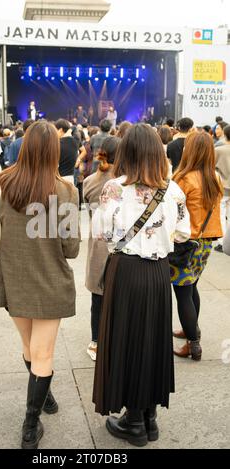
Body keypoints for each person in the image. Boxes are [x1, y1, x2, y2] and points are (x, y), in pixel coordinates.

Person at [0, 121, 80, 450]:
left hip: (13, 279)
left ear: (24, 145)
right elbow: (71, 247)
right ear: (53, 151)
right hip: (49, 281)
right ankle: (30, 427)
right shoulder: (66, 191)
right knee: (43, 352)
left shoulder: (3, 182)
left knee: (29, 346)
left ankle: (41, 397)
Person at [92, 124, 191, 447]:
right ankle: (149, 417)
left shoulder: (114, 188)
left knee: (127, 339)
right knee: (152, 340)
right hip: (159, 272)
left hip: (127, 270)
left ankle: (134, 420)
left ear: (127, 152)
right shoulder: (173, 190)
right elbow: (183, 233)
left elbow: (101, 233)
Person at [172, 132, 223, 360]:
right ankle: (190, 329)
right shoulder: (215, 177)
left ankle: (193, 344)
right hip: (205, 243)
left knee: (183, 292)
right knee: (192, 287)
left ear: (189, 150)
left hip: (185, 243)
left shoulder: (183, 178)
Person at [83, 137, 120, 361]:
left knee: (98, 295)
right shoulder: (126, 183)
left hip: (98, 242)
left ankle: (96, 340)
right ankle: (116, 336)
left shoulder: (89, 181)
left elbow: (91, 213)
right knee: (119, 293)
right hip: (122, 243)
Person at [214, 124, 230, 253]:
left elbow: (211, 167)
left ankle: (222, 242)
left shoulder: (219, 150)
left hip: (222, 186)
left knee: (221, 213)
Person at [55, 119, 79, 184]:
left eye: (55, 130)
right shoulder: (75, 141)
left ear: (60, 130)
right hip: (71, 179)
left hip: (59, 180)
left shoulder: (57, 143)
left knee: (54, 195)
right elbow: (74, 127)